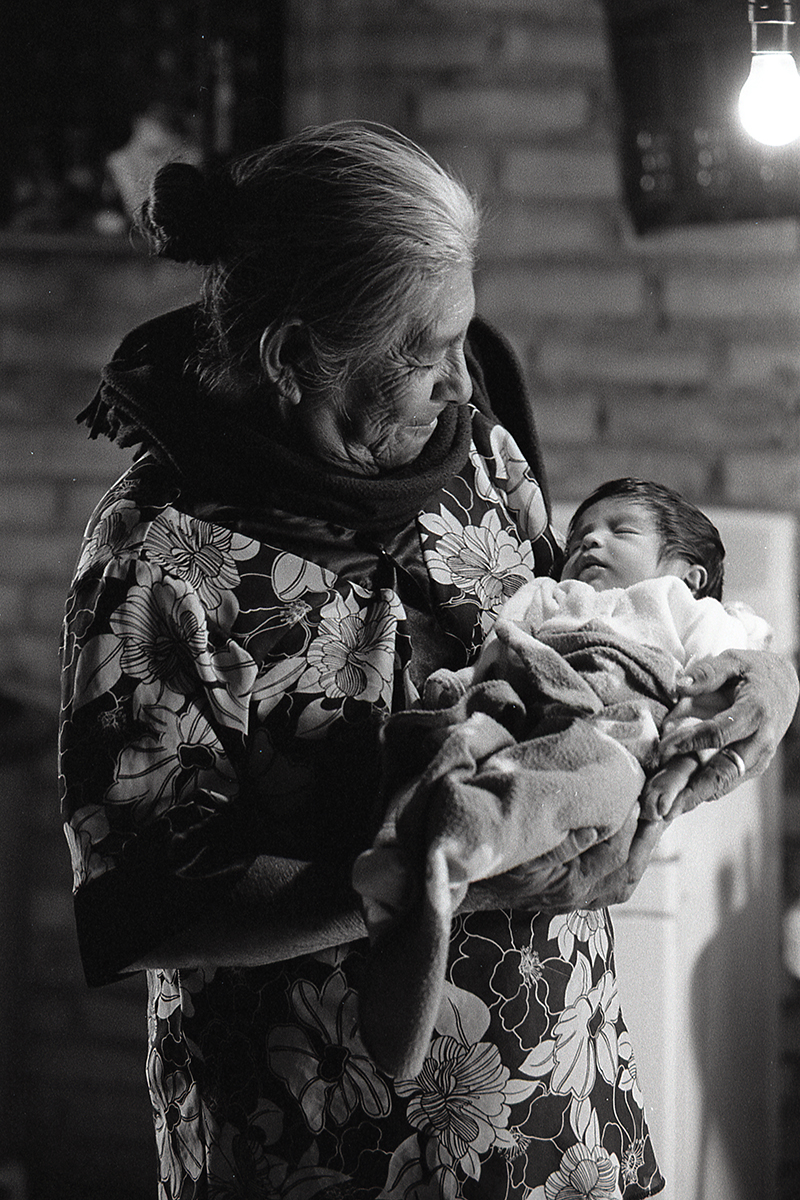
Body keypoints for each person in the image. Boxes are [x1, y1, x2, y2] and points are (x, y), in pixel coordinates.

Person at [58, 122, 798, 1200]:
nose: (462, 380)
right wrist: (381, 887)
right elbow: (141, 898)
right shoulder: (158, 562)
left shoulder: (475, 450)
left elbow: (579, 651)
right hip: (321, 1142)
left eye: (461, 335)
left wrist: (758, 682)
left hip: (560, 1108)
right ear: (295, 356)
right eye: (422, 351)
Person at [352, 478, 773, 1077]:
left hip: (617, 715)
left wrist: (687, 752)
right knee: (455, 738)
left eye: (619, 530)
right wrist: (462, 681)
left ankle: (452, 848)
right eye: (579, 534)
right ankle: (408, 842)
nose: (589, 541)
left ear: (689, 571)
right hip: (531, 694)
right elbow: (501, 648)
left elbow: (714, 691)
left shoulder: (687, 609)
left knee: (594, 778)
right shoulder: (548, 595)